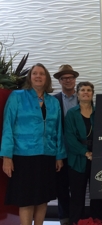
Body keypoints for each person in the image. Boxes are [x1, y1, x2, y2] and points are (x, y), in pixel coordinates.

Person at [0, 63, 65, 225]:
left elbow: (58, 130)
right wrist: (7, 156)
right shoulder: (17, 96)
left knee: (42, 199)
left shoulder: (53, 102)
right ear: (30, 77)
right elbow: (8, 125)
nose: (38, 76)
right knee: (26, 199)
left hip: (47, 155)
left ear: (46, 78)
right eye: (34, 73)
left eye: (42, 74)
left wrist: (59, 156)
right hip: (23, 156)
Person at [65, 82, 102, 225]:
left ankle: (98, 221)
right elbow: (69, 137)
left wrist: (97, 153)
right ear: (77, 93)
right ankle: (76, 222)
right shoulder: (71, 113)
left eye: (89, 90)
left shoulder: (99, 111)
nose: (85, 92)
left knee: (97, 194)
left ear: (92, 93)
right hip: (77, 159)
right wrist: (86, 153)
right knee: (77, 195)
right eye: (82, 90)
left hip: (98, 159)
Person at [53, 64, 79, 225]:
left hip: (79, 152)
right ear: (60, 81)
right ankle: (65, 219)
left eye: (70, 77)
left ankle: (77, 219)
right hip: (60, 152)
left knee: (78, 188)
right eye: (64, 78)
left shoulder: (84, 98)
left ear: (75, 80)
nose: (68, 80)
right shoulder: (53, 101)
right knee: (61, 188)